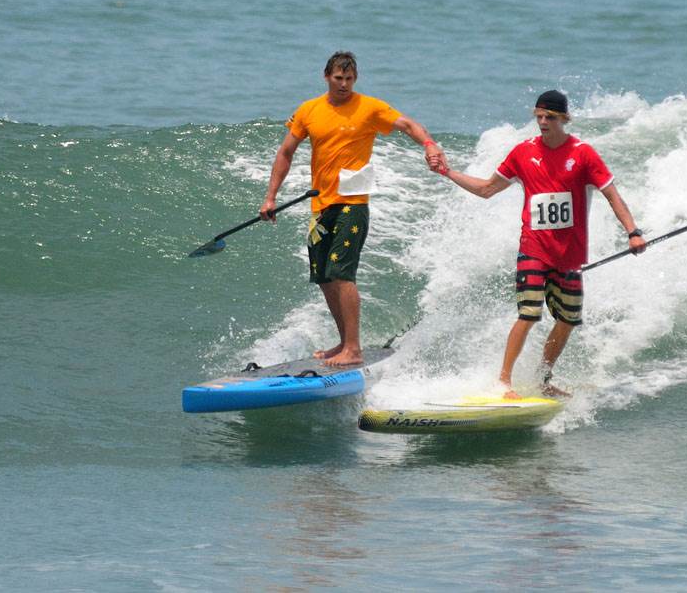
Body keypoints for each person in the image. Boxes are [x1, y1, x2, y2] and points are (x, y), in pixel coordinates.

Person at [427, 90, 647, 398]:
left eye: (550, 117)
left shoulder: (583, 154)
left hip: (569, 255)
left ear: (564, 119)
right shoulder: (523, 152)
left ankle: (542, 379)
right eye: (539, 116)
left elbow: (613, 196)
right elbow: (487, 189)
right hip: (533, 248)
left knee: (568, 320)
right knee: (529, 312)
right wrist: (447, 172)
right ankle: (503, 382)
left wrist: (633, 231)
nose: (543, 122)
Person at [261, 51, 441, 366]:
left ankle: (353, 349)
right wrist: (270, 197)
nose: (344, 84)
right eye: (338, 78)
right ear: (326, 77)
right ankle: (344, 342)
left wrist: (429, 145)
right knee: (324, 277)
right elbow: (286, 152)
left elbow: (408, 124)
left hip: (353, 202)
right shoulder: (308, 110)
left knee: (341, 273)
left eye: (349, 79)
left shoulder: (369, 107)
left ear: (355, 79)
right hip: (321, 205)